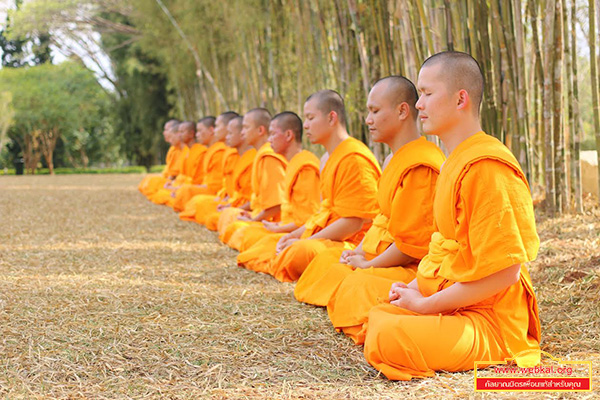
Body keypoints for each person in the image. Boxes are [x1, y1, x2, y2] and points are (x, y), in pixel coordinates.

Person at [363, 51, 541, 381]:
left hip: (488, 319)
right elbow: (444, 249)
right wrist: (413, 289)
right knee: (379, 313)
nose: (418, 104)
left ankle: (494, 349)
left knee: (390, 334)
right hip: (453, 301)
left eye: (427, 94)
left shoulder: (487, 167)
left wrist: (427, 305)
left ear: (461, 99)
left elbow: (506, 272)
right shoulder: (454, 161)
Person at [293, 77, 445, 345]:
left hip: (410, 267)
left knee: (356, 284)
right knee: (328, 262)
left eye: (375, 111)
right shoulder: (392, 159)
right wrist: (360, 252)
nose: (368, 120)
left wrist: (369, 264)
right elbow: (381, 220)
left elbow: (414, 245)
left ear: (401, 111)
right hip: (380, 254)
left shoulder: (421, 164)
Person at [242, 90, 381, 282]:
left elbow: (354, 222)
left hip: (351, 242)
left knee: (298, 250)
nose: (305, 125)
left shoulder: (354, 158)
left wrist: (305, 239)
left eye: (310, 117)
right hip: (326, 236)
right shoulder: (326, 158)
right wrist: (293, 234)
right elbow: (323, 213)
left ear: (332, 118)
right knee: (270, 243)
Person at [231, 111, 320, 254]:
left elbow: (309, 218)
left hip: (302, 233)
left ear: (289, 135)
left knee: (250, 238)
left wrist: (279, 227)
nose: (269, 139)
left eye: (272, 134)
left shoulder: (305, 167)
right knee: (244, 232)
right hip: (285, 227)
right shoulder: (293, 164)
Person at [217, 108, 287, 245]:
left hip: (275, 222)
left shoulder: (269, 157)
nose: (242, 132)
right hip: (261, 216)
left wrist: (254, 219)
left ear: (260, 130)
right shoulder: (260, 155)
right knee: (229, 218)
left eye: (246, 127)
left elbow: (276, 204)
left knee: (238, 229)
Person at [172, 112, 238, 212]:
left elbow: (218, 184)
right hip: (220, 194)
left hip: (222, 194)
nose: (197, 135)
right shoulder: (214, 150)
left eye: (217, 126)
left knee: (191, 198)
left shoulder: (222, 151)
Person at [148, 121, 199, 205]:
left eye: (182, 132)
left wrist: (176, 186)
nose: (165, 133)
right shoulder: (180, 150)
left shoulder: (200, 151)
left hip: (189, 187)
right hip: (181, 184)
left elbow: (198, 180)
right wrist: (173, 184)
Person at [138, 119, 180, 197]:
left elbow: (176, 173)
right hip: (171, 181)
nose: (164, 133)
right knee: (148, 181)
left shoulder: (183, 150)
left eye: (167, 130)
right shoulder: (173, 149)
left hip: (178, 182)